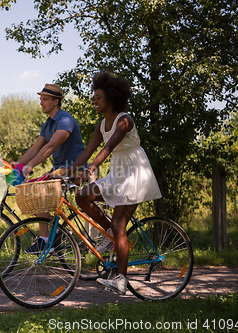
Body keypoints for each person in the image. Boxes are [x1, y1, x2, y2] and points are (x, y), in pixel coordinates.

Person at [64, 70, 162, 295]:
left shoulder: (124, 120)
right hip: (117, 173)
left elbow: (107, 149)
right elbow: (87, 152)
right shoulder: (101, 125)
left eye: (99, 97)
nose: (94, 101)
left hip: (135, 174)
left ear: (111, 98)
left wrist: (91, 168)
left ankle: (121, 280)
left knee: (120, 225)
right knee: (82, 196)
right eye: (94, 97)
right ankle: (109, 234)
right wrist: (65, 171)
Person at [18, 83, 85, 253]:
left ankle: (46, 241)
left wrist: (31, 165)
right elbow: (35, 148)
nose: (41, 102)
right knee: (35, 190)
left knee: (39, 188)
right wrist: (16, 167)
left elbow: (51, 147)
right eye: (41, 99)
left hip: (74, 169)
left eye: (45, 99)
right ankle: (51, 239)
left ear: (56, 101)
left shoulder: (65, 120)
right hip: (59, 171)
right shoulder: (48, 124)